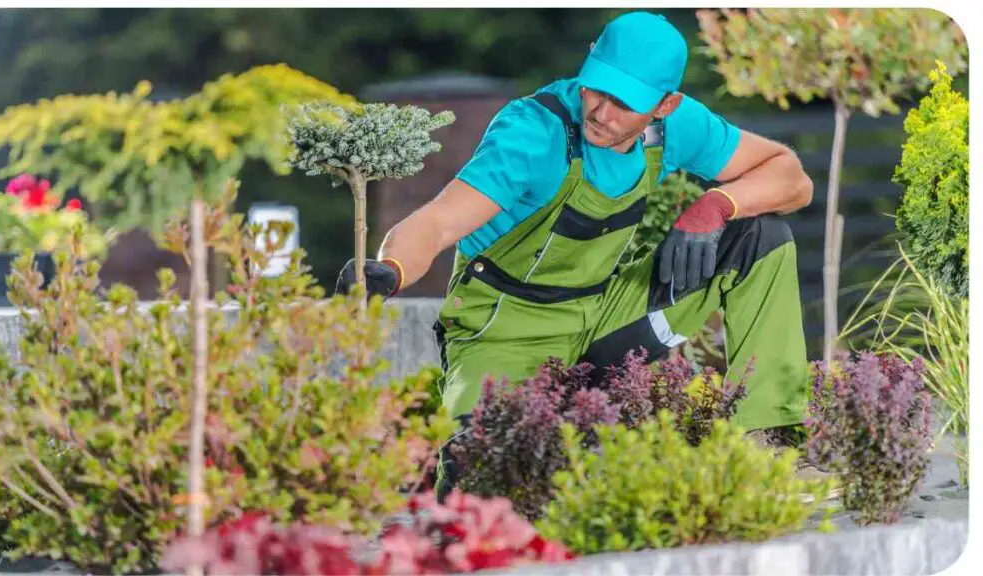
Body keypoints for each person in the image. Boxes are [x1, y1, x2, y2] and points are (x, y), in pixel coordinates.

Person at [336, 11, 824, 499]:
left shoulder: (678, 126)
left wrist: (716, 204)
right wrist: (390, 268)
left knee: (760, 237)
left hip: (604, 313)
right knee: (482, 477)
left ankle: (769, 446)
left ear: (665, 105)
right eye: (596, 89)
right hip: (505, 331)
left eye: (624, 103)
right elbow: (437, 221)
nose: (601, 113)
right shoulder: (533, 133)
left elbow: (791, 178)